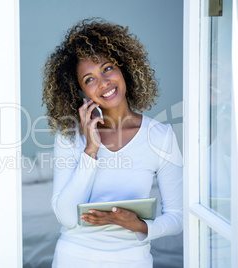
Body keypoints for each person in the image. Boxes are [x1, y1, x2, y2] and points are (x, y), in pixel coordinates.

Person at [42, 18, 183, 268]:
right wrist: (91, 150)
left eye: (107, 68)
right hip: (73, 258)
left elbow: (177, 217)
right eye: (89, 79)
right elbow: (66, 217)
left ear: (124, 68)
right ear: (81, 91)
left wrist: (139, 226)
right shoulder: (70, 135)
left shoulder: (160, 136)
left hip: (132, 260)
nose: (104, 83)